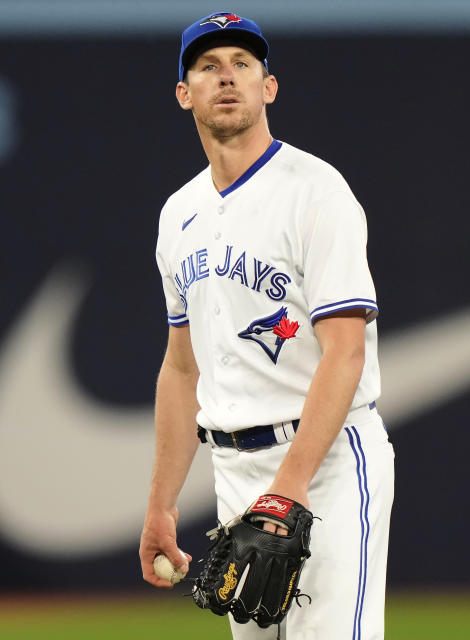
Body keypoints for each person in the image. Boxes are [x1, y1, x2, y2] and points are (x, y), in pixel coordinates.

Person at [138, 12, 394, 639]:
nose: (227, 77)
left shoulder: (316, 191)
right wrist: (161, 503)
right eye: (208, 66)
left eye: (243, 65)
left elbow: (345, 354)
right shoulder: (179, 215)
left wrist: (291, 484)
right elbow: (181, 366)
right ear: (185, 94)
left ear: (268, 87)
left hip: (326, 463)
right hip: (234, 474)